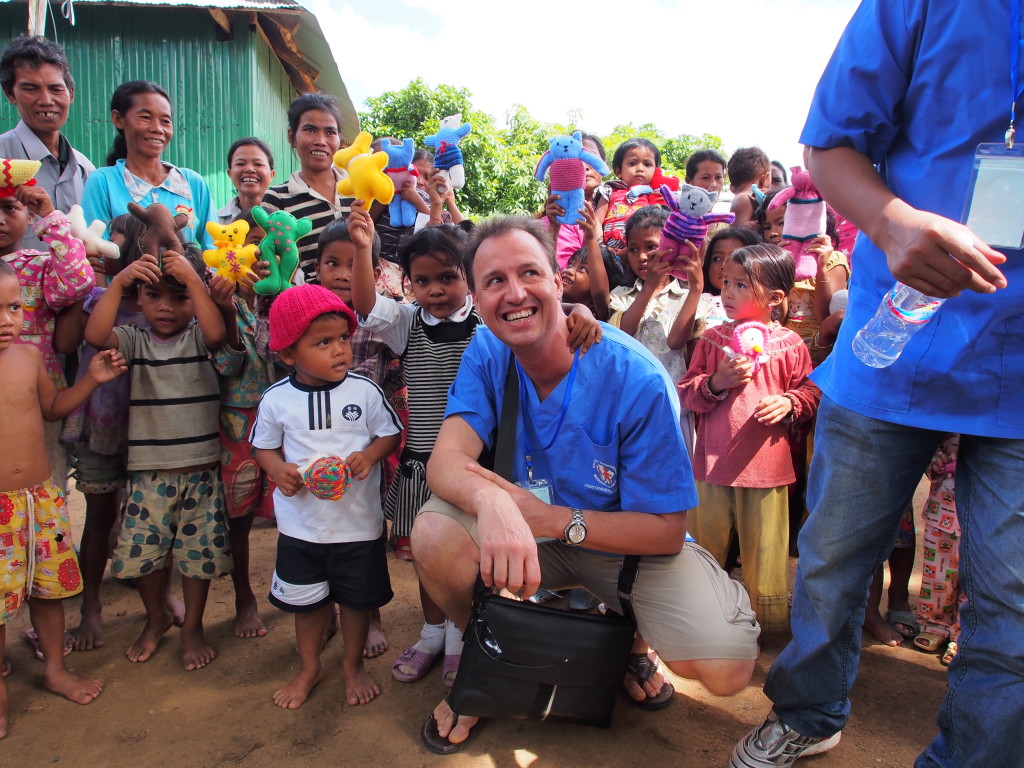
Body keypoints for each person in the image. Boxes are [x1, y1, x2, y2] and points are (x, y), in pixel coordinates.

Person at [728, 2, 1022, 766]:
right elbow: (830, 147)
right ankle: (809, 711)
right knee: (832, 558)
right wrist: (892, 225)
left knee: (1015, 608)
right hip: (899, 339)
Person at [410, 216, 759, 754]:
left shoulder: (635, 375)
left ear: (558, 279)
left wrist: (548, 519)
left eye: (529, 272)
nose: (515, 292)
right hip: (526, 537)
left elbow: (665, 531)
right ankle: (494, 655)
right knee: (433, 533)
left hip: (615, 546)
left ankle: (630, 644)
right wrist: (493, 501)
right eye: (494, 281)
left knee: (725, 664)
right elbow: (445, 462)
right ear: (476, 297)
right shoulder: (486, 351)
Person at [251, 284, 402, 709]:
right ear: (288, 354)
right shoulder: (277, 400)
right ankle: (309, 666)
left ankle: (352, 666)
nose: (339, 351)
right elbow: (262, 446)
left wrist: (368, 456)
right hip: (302, 529)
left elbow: (390, 434)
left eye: (341, 339)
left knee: (356, 602)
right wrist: (277, 470)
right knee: (307, 603)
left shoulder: (364, 392)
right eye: (323, 343)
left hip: (358, 525)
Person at [84, 245, 230, 671]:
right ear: (139, 300)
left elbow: (220, 334)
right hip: (148, 475)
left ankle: (193, 628)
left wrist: (192, 278)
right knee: (143, 555)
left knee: (197, 559)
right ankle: (157, 616)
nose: (166, 307)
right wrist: (119, 280)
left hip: (201, 471)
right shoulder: (133, 340)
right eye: (153, 296)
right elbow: (95, 336)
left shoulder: (200, 336)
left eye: (179, 296)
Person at [0, 259, 126, 739]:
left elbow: (52, 409)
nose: (7, 320)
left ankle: (54, 667)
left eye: (14, 307)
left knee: (47, 593)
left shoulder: (29, 357)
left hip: (38, 502)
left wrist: (91, 379)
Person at [679, 243, 820, 633]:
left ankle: (764, 627)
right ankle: (701, 622)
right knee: (703, 551)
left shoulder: (789, 344)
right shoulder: (711, 340)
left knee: (766, 555)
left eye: (741, 284)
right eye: (726, 281)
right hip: (710, 467)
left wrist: (789, 403)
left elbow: (811, 391)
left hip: (766, 471)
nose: (727, 292)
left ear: (775, 298)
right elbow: (687, 391)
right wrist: (715, 382)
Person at [313, 214, 405, 658]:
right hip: (312, 445)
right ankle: (327, 612)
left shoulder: (381, 315)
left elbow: (401, 366)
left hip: (366, 447)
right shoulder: (303, 311)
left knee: (367, 533)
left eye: (355, 263)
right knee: (319, 531)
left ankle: (370, 616)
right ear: (316, 268)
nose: (344, 273)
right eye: (333, 263)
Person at [55, 213, 148, 650]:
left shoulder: (164, 300)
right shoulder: (95, 297)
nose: (109, 249)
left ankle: (159, 599)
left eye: (118, 242)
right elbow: (71, 342)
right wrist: (97, 284)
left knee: (150, 518)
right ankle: (90, 604)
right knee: (99, 517)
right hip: (101, 425)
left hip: (150, 429)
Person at [0, 183, 94, 499]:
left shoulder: (37, 264)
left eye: (9, 208)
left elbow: (78, 281)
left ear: (28, 217)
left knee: (47, 489)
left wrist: (49, 217)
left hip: (40, 401)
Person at [609, 206, 710, 452]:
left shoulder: (689, 297)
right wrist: (649, 287)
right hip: (631, 408)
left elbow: (676, 342)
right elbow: (622, 334)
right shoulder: (622, 296)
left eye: (651, 247)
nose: (642, 256)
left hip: (675, 409)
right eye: (634, 249)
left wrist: (696, 289)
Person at [80, 80, 214, 250]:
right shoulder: (103, 182)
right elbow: (94, 253)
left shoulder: (193, 183)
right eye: (145, 118)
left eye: (165, 121)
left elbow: (215, 247)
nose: (157, 128)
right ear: (118, 119)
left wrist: (194, 275)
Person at [0, 34, 94, 252]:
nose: (46, 100)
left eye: (55, 88)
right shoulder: (2, 157)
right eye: (30, 89)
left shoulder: (84, 170)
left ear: (71, 94)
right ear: (10, 94)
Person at [260, 92, 354, 282]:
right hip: (311, 307)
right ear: (292, 137)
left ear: (339, 139)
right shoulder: (277, 198)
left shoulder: (357, 188)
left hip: (365, 304)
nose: (321, 140)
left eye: (330, 132)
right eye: (310, 130)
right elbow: (271, 257)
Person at [593, 138, 666, 256]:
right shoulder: (610, 190)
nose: (640, 168)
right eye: (632, 163)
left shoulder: (656, 196)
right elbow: (596, 221)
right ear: (618, 171)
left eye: (647, 164)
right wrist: (601, 247)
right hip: (609, 254)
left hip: (642, 255)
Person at [217, 137, 275, 224]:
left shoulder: (285, 217)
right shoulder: (216, 221)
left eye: (258, 164)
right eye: (240, 163)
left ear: (271, 175)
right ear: (230, 174)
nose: (249, 169)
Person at [727, 147, 771, 230]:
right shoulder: (744, 198)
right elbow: (740, 228)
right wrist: (767, 222)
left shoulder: (746, 197)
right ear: (765, 177)